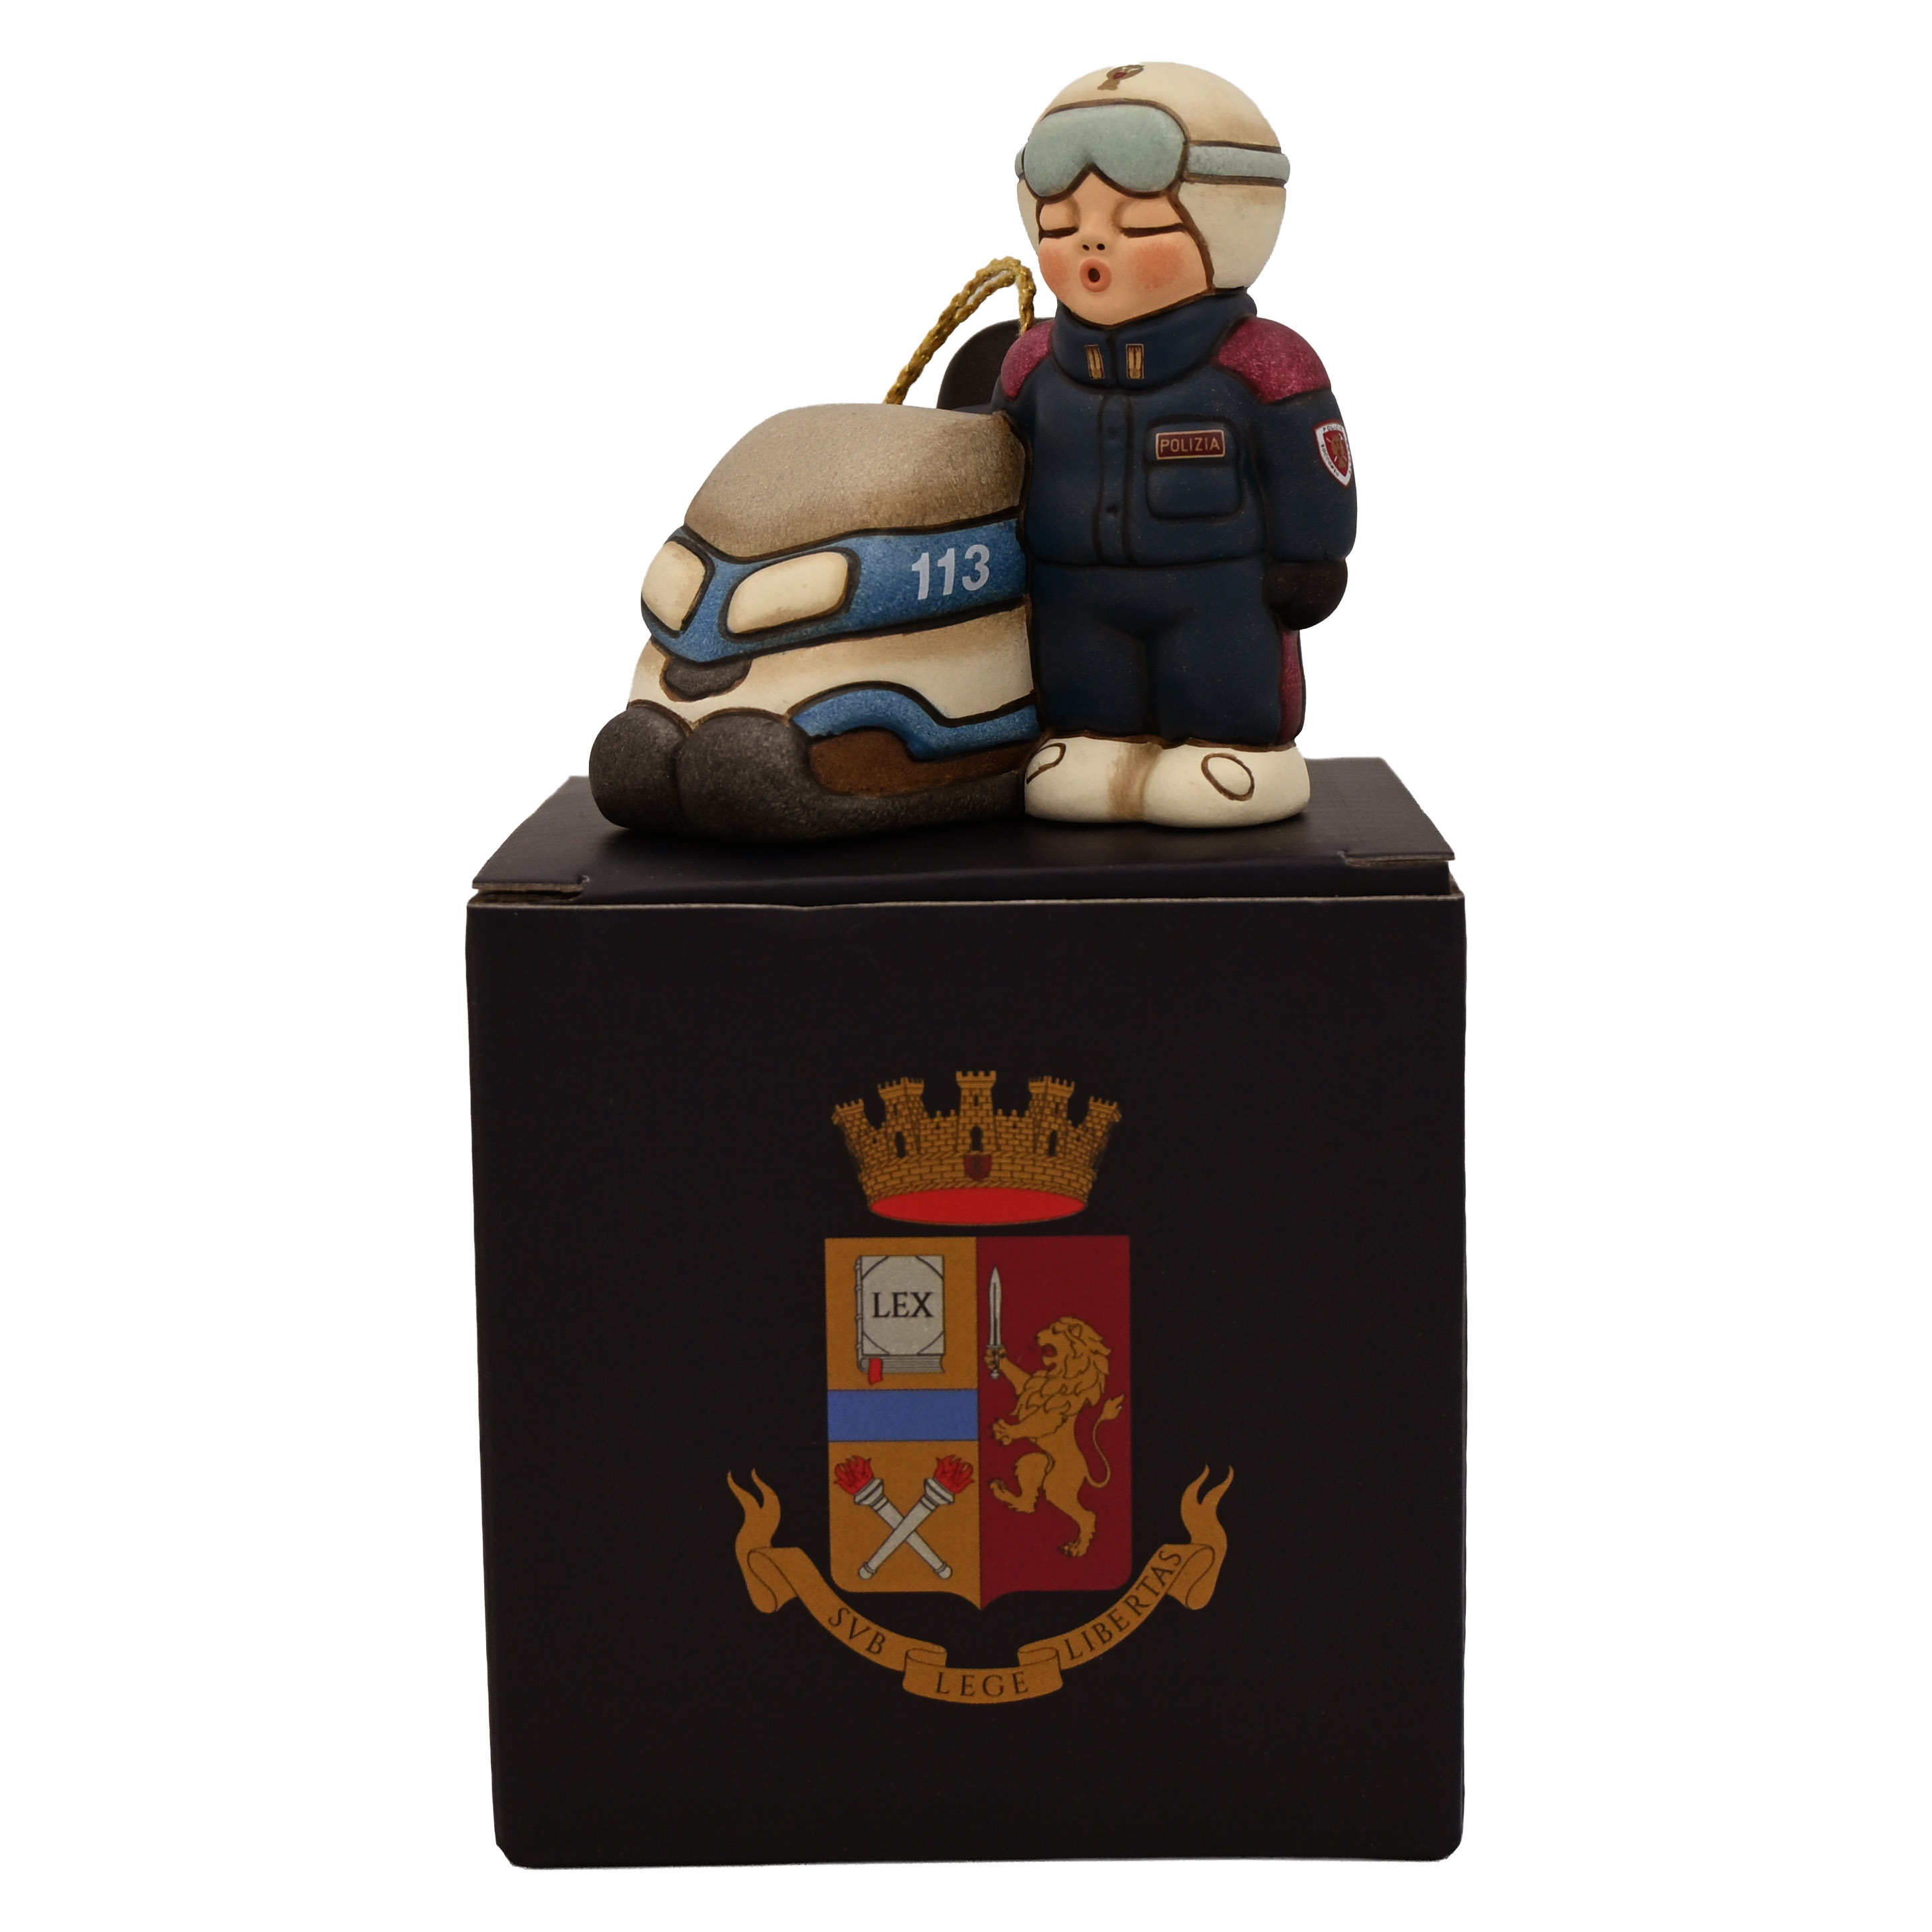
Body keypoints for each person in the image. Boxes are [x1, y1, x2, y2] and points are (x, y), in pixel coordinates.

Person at [989, 63, 1356, 827]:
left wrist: (1312, 558)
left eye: (1139, 227)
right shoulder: (1030, 367)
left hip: (1217, 588)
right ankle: (1097, 741)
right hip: (1071, 587)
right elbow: (989, 470)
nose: (1092, 242)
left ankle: (1235, 750)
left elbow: (1313, 467)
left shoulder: (1260, 363)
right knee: (1084, 679)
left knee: (1221, 674)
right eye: (1061, 227)